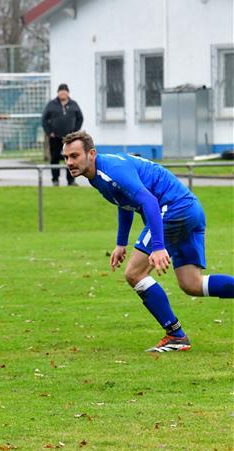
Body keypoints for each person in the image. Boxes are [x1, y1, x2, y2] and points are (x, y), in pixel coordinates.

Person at [62, 130, 234, 352]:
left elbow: (149, 201)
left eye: (74, 156)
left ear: (91, 154)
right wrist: (121, 243)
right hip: (190, 209)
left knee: (134, 273)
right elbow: (124, 203)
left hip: (173, 209)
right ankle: (177, 336)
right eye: (66, 157)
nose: (69, 162)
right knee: (192, 284)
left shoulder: (112, 170)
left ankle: (176, 336)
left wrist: (159, 246)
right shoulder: (99, 174)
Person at [42, 83, 83, 186]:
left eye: (65, 92)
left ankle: (71, 180)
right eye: (61, 91)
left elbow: (80, 118)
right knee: (55, 158)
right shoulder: (51, 104)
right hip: (55, 138)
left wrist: (75, 131)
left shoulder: (74, 104)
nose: (63, 93)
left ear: (68, 93)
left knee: (71, 159)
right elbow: (44, 119)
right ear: (58, 93)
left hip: (70, 139)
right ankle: (55, 180)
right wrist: (49, 132)